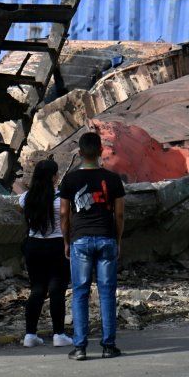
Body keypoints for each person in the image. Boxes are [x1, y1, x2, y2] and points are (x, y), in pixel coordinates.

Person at [59, 132, 125, 361]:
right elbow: (119, 214)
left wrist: (66, 240)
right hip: (106, 238)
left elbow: (64, 214)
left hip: (80, 240)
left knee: (80, 293)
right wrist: (117, 240)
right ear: (100, 152)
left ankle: (80, 348)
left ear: (79, 153)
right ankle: (108, 346)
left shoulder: (69, 180)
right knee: (107, 293)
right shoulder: (113, 179)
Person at [18, 159, 73, 348]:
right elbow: (67, 220)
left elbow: (23, 214)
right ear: (53, 177)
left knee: (37, 289)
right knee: (57, 289)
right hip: (57, 245)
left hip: (34, 245)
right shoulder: (61, 199)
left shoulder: (26, 198)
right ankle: (59, 334)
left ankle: (30, 334)